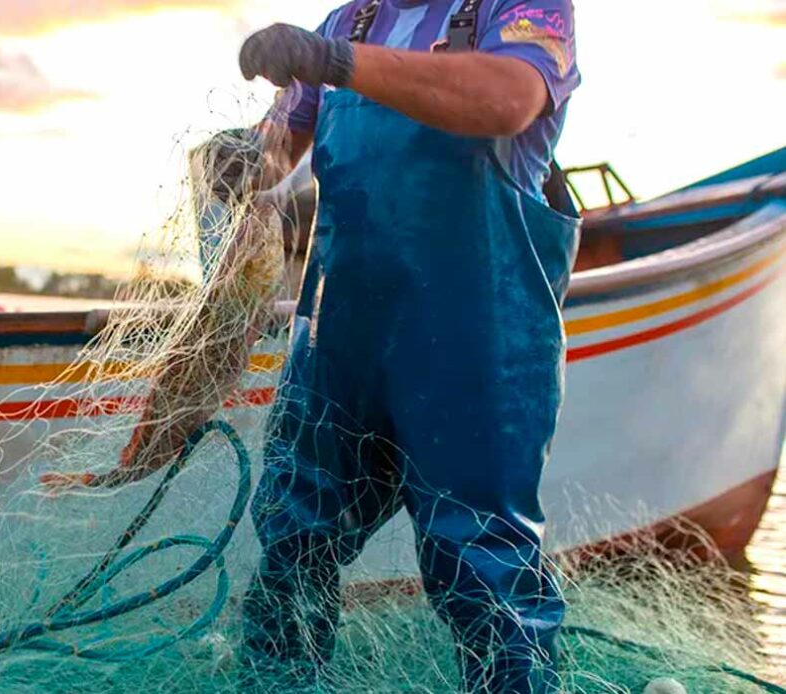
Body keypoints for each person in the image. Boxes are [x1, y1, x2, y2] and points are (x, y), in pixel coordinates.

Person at [231, 1, 582, 692]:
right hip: (339, 344)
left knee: (480, 558)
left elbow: (508, 98)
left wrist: (336, 64)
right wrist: (239, 158)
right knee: (295, 537)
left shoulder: (521, 8)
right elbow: (278, 146)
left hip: (476, 342)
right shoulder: (346, 21)